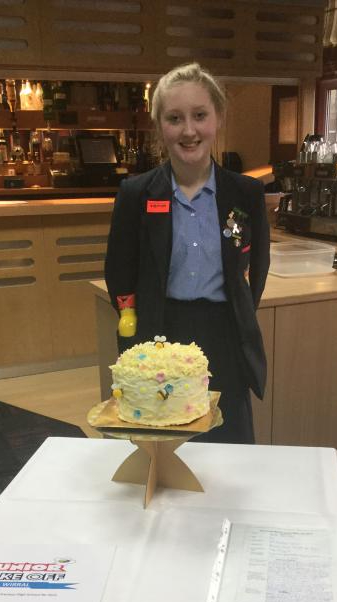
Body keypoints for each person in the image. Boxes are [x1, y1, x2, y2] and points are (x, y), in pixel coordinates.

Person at [105, 62, 270, 443]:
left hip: (225, 333)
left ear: (218, 118)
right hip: (162, 334)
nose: (189, 130)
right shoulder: (136, 194)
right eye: (175, 118)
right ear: (160, 126)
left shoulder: (245, 193)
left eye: (200, 116)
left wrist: (243, 310)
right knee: (170, 444)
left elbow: (257, 266)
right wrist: (133, 324)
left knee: (229, 441)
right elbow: (119, 268)